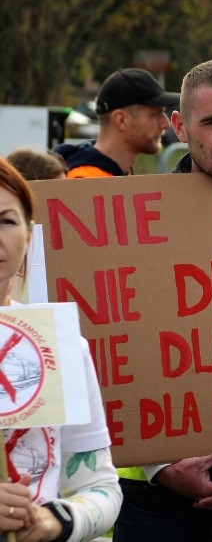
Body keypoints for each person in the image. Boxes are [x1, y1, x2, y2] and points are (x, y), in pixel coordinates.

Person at [112, 59, 212, 542]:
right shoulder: (124, 229)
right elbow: (107, 357)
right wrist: (160, 466)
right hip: (156, 503)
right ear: (179, 127)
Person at [0, 156, 121, 540]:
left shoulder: (59, 345)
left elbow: (101, 487)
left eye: (6, 221)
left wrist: (60, 520)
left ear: (29, 237)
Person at [54, 68, 178, 178]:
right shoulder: (85, 182)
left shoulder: (115, 173)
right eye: (155, 115)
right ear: (121, 120)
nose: (166, 124)